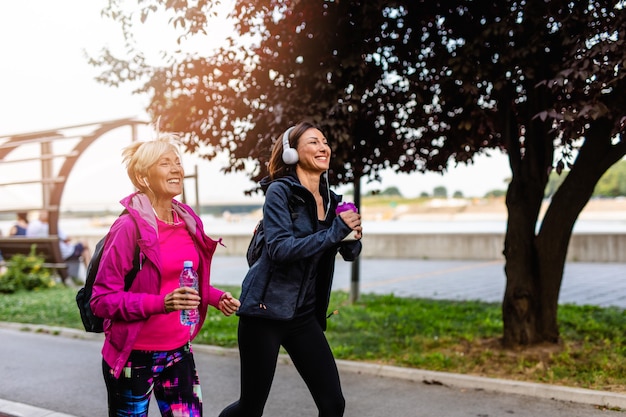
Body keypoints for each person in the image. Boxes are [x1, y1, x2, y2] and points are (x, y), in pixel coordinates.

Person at [90, 134, 241, 417]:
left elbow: (187, 281)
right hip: (134, 356)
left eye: (178, 162)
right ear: (143, 177)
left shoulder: (187, 219)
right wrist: (162, 303)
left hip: (179, 351)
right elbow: (101, 300)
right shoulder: (127, 228)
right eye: (165, 163)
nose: (176, 169)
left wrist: (217, 297)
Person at [219, 121, 363, 417]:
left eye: (325, 141)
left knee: (333, 403)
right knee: (250, 407)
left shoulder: (333, 199)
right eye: (313, 142)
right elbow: (280, 249)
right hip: (264, 312)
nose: (323, 147)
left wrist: (350, 242)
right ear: (291, 153)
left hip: (303, 314)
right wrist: (334, 233)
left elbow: (330, 245)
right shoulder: (280, 193)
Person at [25, 210, 91, 268]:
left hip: (44, 255)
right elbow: (67, 238)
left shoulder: (32, 225)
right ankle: (91, 276)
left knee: (84, 250)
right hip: (62, 255)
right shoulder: (49, 227)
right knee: (84, 244)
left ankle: (90, 275)